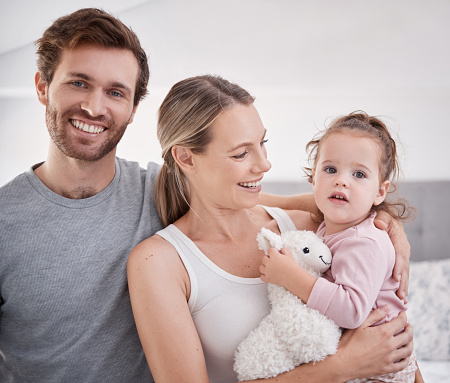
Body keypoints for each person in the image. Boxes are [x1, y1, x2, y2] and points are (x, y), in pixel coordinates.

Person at [0, 7, 316, 382]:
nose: (95, 107)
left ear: (133, 109)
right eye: (79, 83)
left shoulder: (163, 188)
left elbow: (296, 205)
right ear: (42, 87)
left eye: (115, 92)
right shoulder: (6, 222)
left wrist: (387, 221)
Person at [127, 76, 414, 383]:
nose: (265, 164)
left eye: (262, 143)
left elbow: (392, 332)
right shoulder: (160, 263)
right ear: (185, 158)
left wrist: (384, 219)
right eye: (241, 153)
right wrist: (341, 366)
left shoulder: (309, 229)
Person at [259, 111, 422, 382]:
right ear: (314, 179)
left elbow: (351, 310)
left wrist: (290, 276)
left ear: (380, 192)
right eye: (330, 169)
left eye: (359, 174)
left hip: (381, 369)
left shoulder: (363, 241)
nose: (341, 180)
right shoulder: (332, 227)